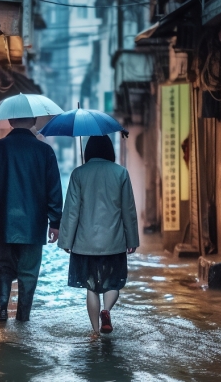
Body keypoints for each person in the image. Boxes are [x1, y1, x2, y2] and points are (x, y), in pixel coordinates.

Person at [0, 117, 63, 322]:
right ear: (34, 120)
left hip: (3, 222)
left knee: (4, 267)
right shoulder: (45, 151)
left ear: (10, 120)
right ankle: (23, 316)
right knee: (29, 272)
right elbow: (53, 190)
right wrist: (55, 222)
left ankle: (3, 310)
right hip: (33, 225)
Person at [58, 135, 139, 335]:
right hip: (114, 241)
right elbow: (128, 210)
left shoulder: (78, 174)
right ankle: (106, 310)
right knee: (113, 282)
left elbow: (71, 211)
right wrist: (132, 239)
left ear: (88, 151)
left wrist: (66, 241)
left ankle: (95, 333)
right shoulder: (121, 173)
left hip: (85, 243)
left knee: (91, 287)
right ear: (110, 151)